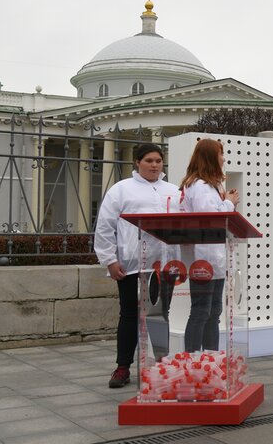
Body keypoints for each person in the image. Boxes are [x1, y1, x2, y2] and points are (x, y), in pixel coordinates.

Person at [94, 143, 180, 388]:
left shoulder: (173, 190)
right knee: (130, 315)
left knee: (160, 315)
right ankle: (123, 367)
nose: (154, 165)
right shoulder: (121, 190)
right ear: (137, 163)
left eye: (158, 161)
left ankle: (161, 363)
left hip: (165, 265)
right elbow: (104, 227)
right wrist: (109, 259)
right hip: (133, 265)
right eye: (149, 160)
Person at [178, 138, 239, 352]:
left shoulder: (208, 186)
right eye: (221, 154)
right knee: (202, 311)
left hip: (213, 259)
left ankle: (210, 358)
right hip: (204, 259)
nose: (224, 158)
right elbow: (210, 216)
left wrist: (225, 201)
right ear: (211, 157)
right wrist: (229, 203)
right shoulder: (201, 186)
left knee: (213, 311)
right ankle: (192, 359)